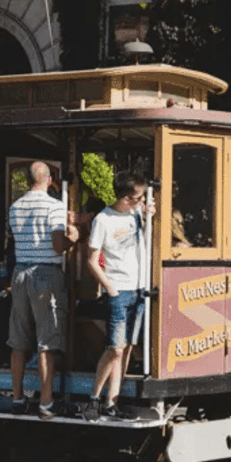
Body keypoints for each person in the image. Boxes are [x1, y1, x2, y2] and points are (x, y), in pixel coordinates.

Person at [7, 161, 79, 420]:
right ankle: (46, 402)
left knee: (18, 341)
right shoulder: (54, 206)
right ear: (49, 179)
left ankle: (17, 398)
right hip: (45, 274)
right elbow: (58, 246)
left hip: (20, 273)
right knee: (46, 341)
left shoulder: (15, 206)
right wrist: (74, 236)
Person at [83, 172, 148, 421]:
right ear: (125, 198)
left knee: (128, 348)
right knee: (116, 348)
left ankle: (113, 401)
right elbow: (92, 260)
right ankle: (94, 398)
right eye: (138, 197)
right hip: (119, 288)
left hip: (139, 288)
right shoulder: (103, 219)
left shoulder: (136, 215)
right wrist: (109, 287)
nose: (142, 201)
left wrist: (147, 213)